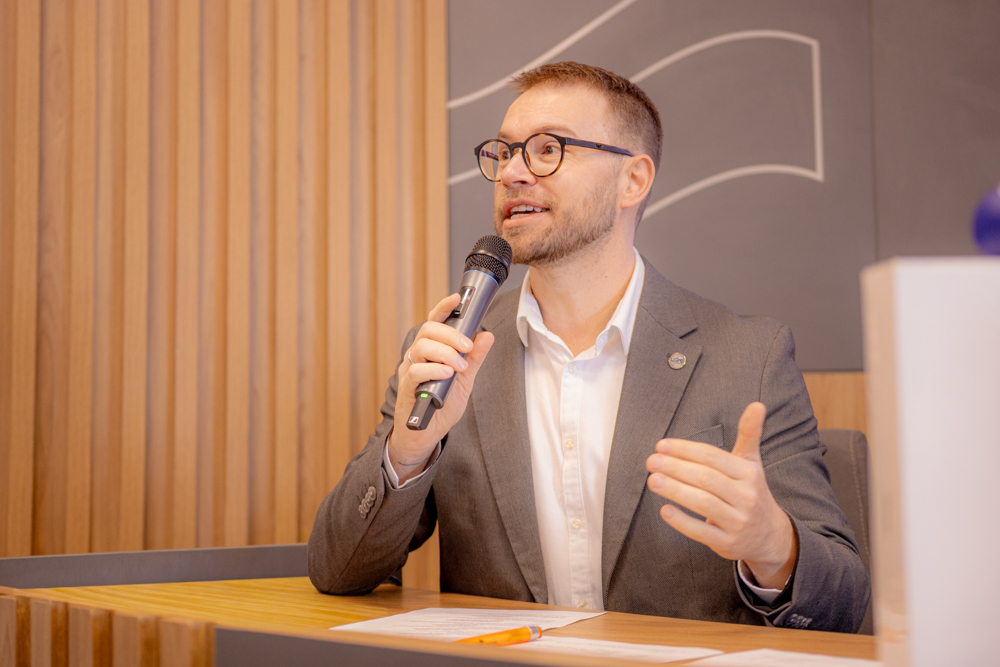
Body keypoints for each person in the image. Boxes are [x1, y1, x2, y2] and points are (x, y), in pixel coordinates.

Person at [308, 62, 869, 632]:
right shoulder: (449, 355)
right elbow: (338, 571)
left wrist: (773, 545)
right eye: (504, 153)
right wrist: (408, 452)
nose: (512, 174)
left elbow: (845, 607)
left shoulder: (750, 357)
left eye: (547, 149)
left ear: (633, 180)